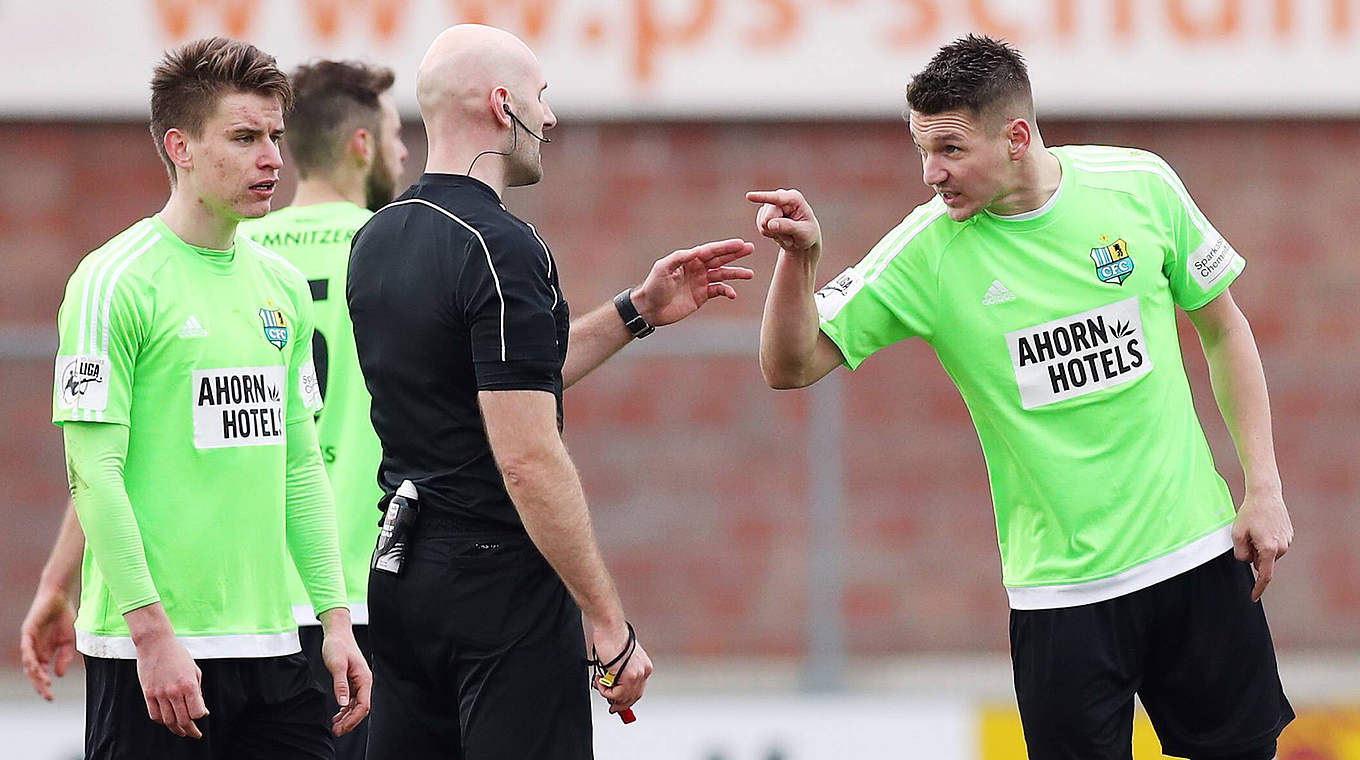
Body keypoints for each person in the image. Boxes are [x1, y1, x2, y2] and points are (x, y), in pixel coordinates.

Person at [751, 34, 1294, 760]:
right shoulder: (927, 250)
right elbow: (790, 365)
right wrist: (799, 261)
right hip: (1061, 599)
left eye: (949, 149)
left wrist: (1264, 489)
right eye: (921, 150)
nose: (930, 174)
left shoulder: (1140, 186)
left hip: (1196, 557)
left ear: (1016, 136)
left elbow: (1224, 331)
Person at [347, 24, 754, 760]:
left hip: (401, 578)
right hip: (497, 586)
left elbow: (499, 385)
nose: (552, 118)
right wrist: (607, 621)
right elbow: (528, 455)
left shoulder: (378, 237)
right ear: (504, 106)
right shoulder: (503, 247)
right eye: (542, 97)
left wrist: (638, 311)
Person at [50, 37, 369, 758]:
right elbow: (92, 473)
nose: (272, 159)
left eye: (276, 137)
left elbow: (299, 463)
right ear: (181, 147)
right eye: (245, 137)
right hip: (155, 657)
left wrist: (336, 620)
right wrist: (151, 636)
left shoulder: (281, 284)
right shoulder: (113, 281)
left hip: (278, 648)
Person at [239, 58, 409, 760]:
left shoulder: (231, 249)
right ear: (362, 146)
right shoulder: (398, 247)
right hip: (365, 583)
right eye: (399, 136)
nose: (404, 154)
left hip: (251, 593)